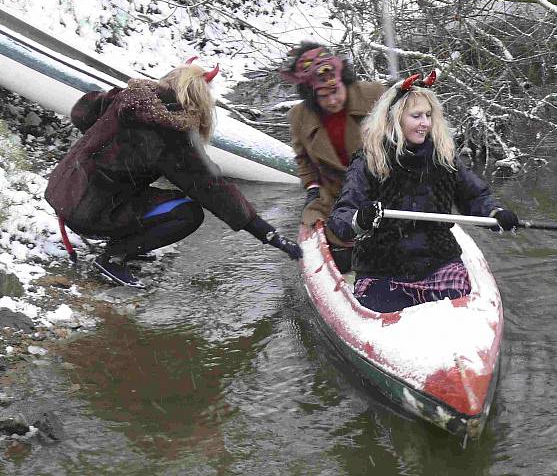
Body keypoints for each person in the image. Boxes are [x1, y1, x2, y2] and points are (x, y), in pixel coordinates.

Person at [45, 57, 301, 289]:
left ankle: (125, 241)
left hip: (63, 191)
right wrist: (270, 235)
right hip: (88, 212)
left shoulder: (125, 97)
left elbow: (82, 111)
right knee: (187, 212)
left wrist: (105, 147)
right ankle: (113, 258)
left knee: (159, 194)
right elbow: (212, 188)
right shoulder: (170, 135)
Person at [327, 72, 519, 312]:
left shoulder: (444, 157)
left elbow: (474, 196)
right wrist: (360, 219)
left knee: (458, 313)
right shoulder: (369, 159)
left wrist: (495, 212)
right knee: (380, 311)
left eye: (428, 116)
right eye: (416, 116)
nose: (425, 123)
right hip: (383, 267)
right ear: (395, 119)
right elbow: (341, 216)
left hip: (438, 262)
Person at [279, 42, 385, 272]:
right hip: (334, 197)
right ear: (311, 95)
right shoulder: (299, 116)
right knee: (343, 257)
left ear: (343, 80)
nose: (332, 100)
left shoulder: (375, 95)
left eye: (335, 91)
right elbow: (303, 159)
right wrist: (312, 188)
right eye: (323, 96)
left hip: (384, 190)